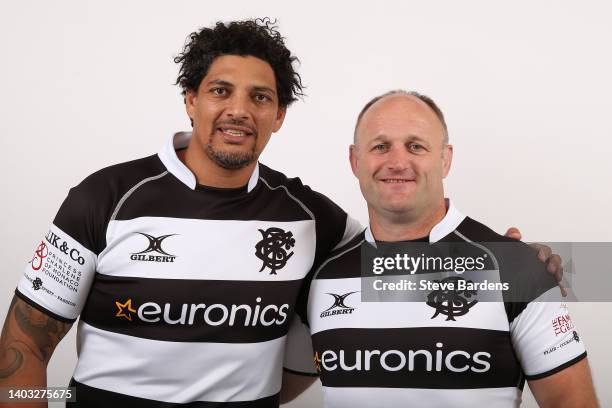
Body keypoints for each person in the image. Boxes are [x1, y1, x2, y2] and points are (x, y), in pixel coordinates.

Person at [0, 19, 561, 407]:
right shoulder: (105, 198)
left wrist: (518, 265)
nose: (239, 110)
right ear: (190, 99)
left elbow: (399, 262)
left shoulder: (314, 218)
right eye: (220, 90)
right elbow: (24, 349)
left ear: (280, 115)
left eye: (261, 97)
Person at [281, 91, 596, 407]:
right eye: (380, 146)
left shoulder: (516, 268)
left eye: (416, 146)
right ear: (355, 160)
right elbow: (260, 388)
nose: (398, 162)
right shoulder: (322, 276)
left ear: (445, 159)